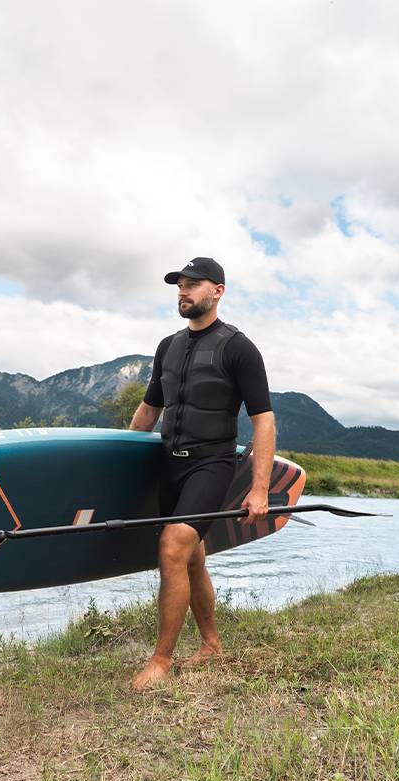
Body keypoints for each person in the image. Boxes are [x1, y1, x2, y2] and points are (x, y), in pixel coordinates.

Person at [128, 257, 275, 690]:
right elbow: (150, 408)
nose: (183, 291)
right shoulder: (167, 347)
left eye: (193, 285)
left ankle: (161, 660)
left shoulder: (238, 347)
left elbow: (263, 419)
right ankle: (211, 644)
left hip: (212, 463)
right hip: (168, 462)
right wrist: (119, 453)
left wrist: (260, 488)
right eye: (179, 285)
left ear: (218, 291)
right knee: (192, 558)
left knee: (173, 547)